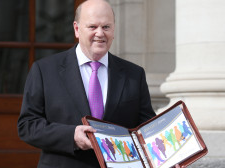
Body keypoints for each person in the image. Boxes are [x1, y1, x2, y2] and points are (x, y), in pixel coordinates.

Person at [17, 0, 156, 167]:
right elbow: (28, 126)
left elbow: (148, 128)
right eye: (92, 27)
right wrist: (71, 136)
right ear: (77, 29)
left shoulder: (134, 74)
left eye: (106, 27)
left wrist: (169, 158)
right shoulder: (44, 70)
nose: (100, 33)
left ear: (114, 30)